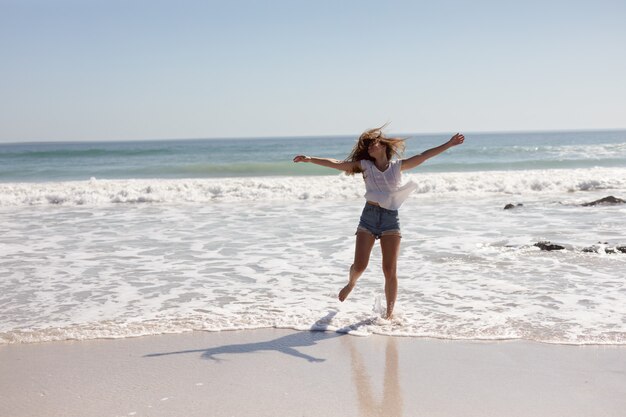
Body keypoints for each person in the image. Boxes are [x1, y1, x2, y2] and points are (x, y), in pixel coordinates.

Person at [293, 126, 464, 319]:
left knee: (389, 270)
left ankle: (389, 315)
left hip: (390, 218)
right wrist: (310, 159)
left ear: (383, 146)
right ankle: (351, 283)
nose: (370, 148)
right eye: (368, 147)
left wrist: (449, 144)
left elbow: (424, 155)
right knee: (359, 266)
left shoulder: (398, 166)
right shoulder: (365, 166)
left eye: (373, 144)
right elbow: (338, 163)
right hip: (369, 216)